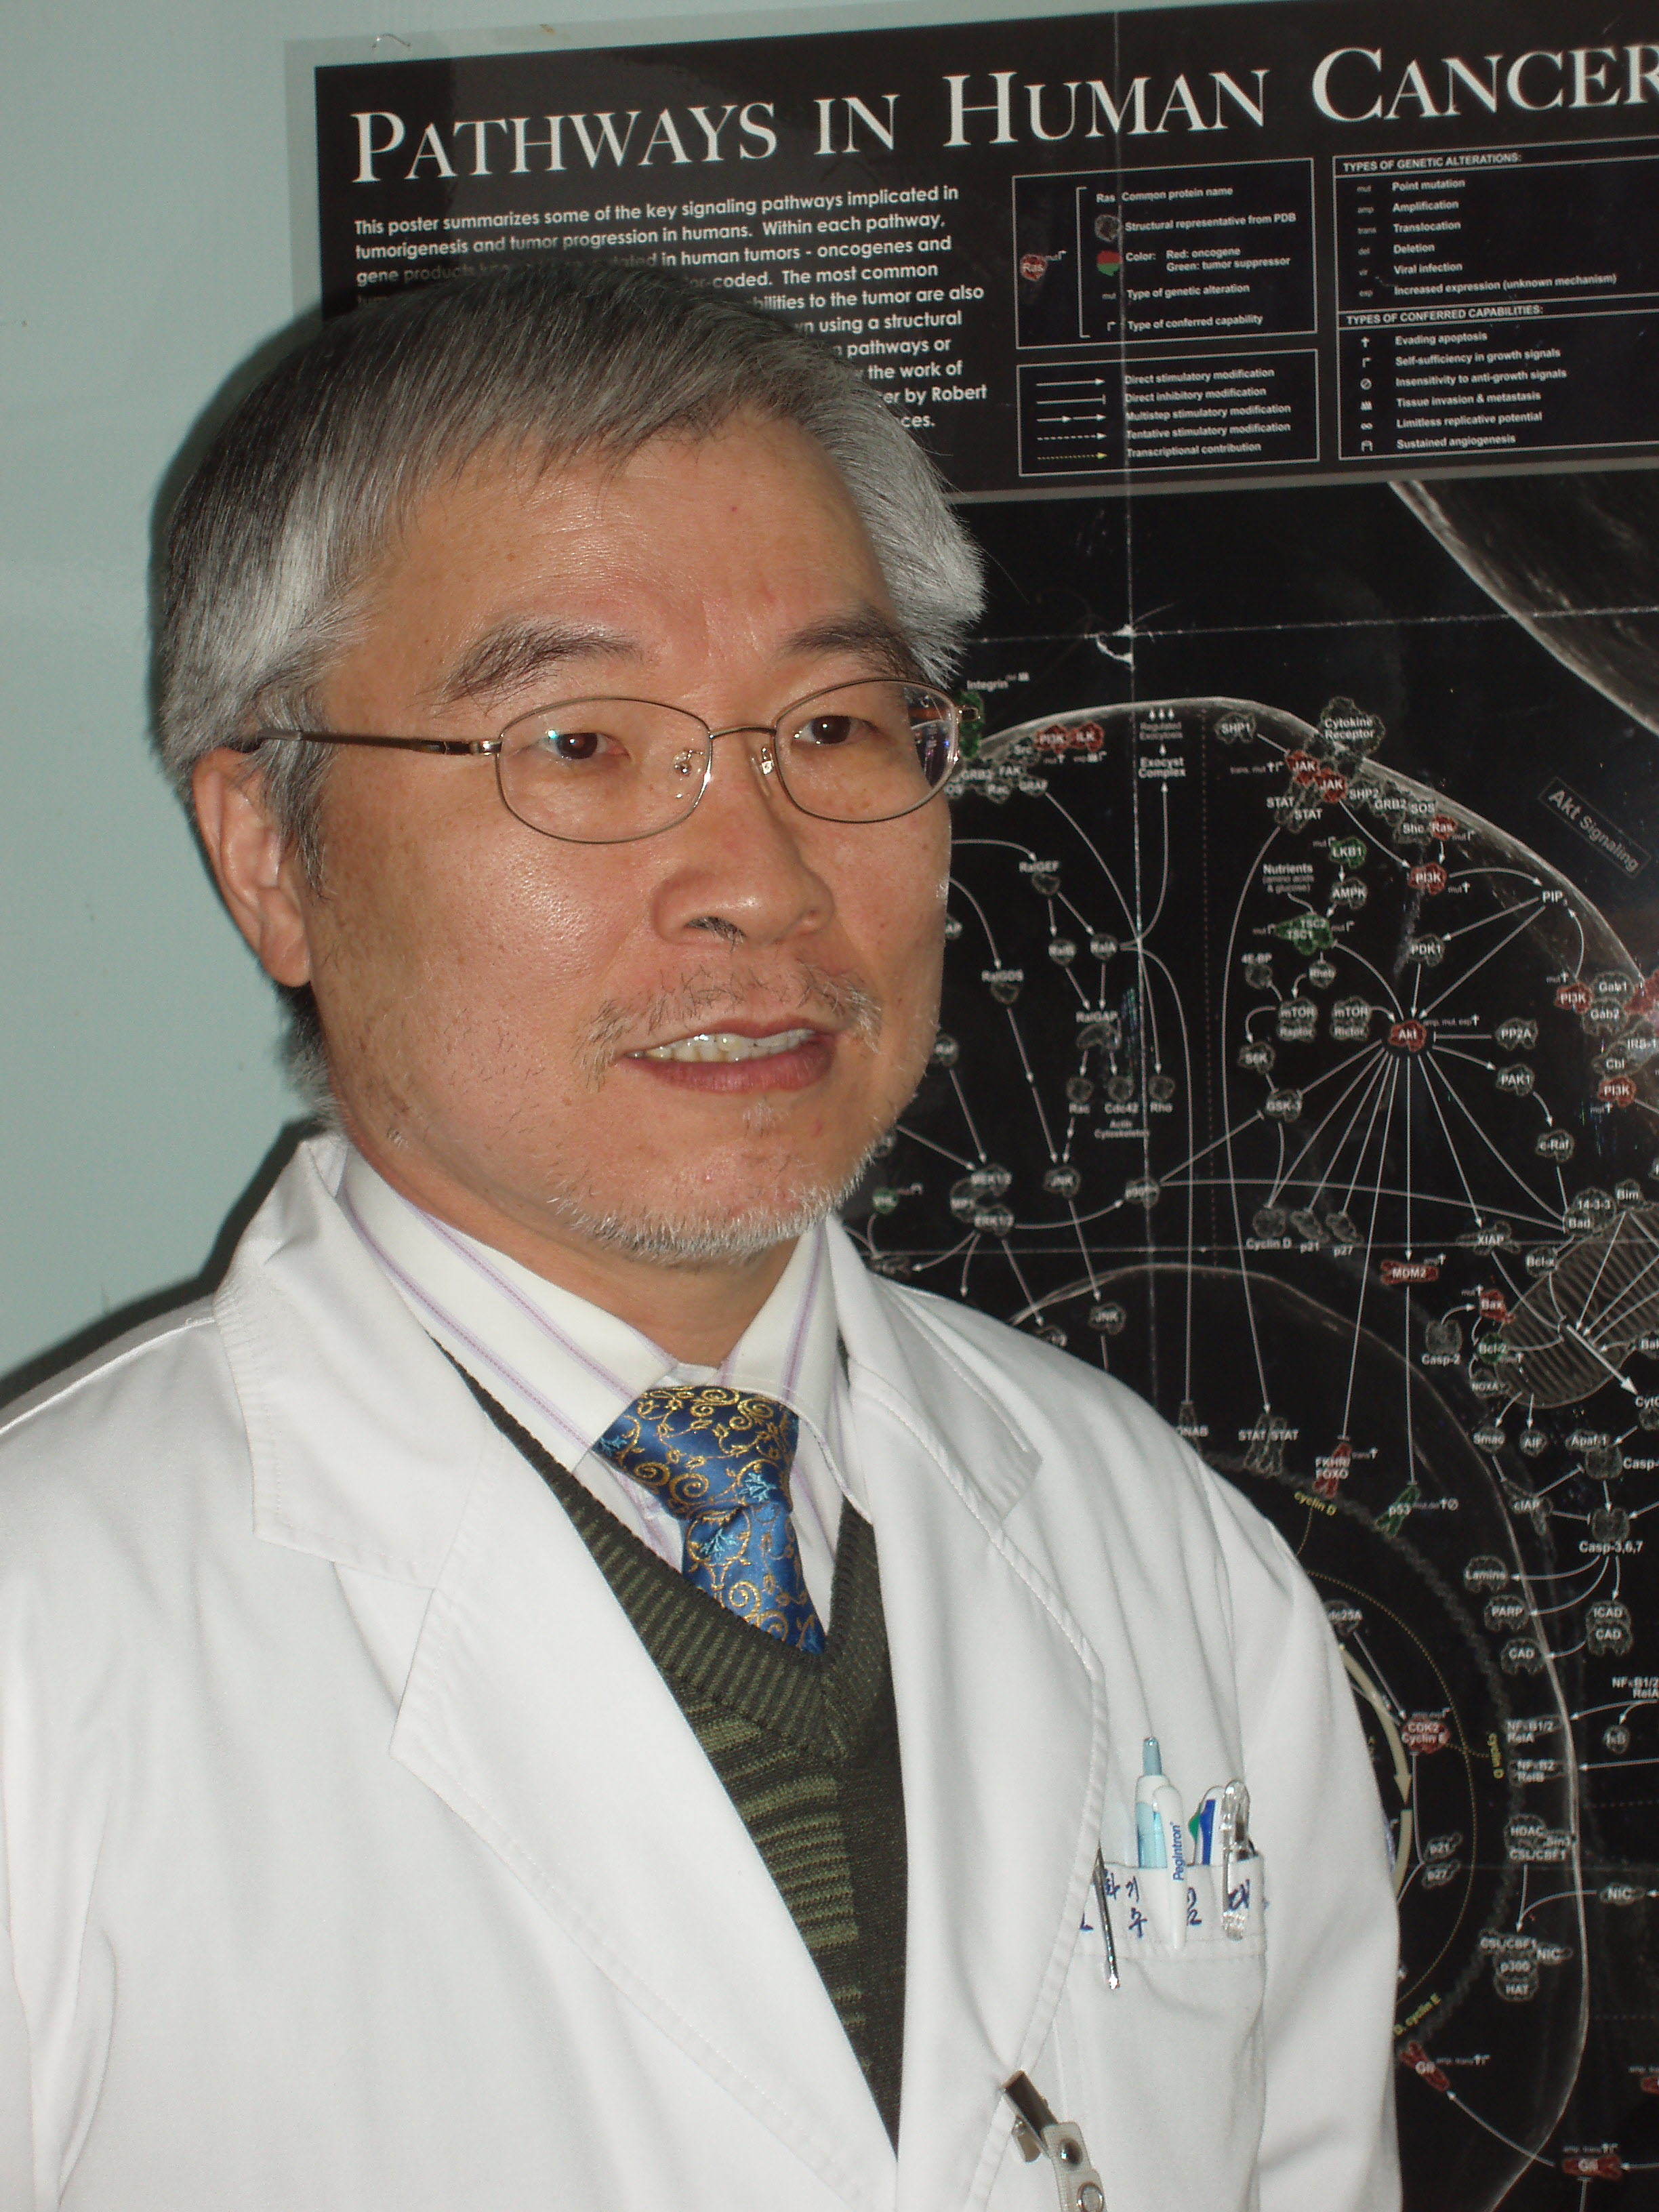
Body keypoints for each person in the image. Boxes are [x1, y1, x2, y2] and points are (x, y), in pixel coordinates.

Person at [0, 262, 1398, 2211]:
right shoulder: (45, 1650)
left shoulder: (1161, 1550)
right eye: (579, 745)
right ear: (270, 852)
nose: (758, 879)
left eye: (834, 726)